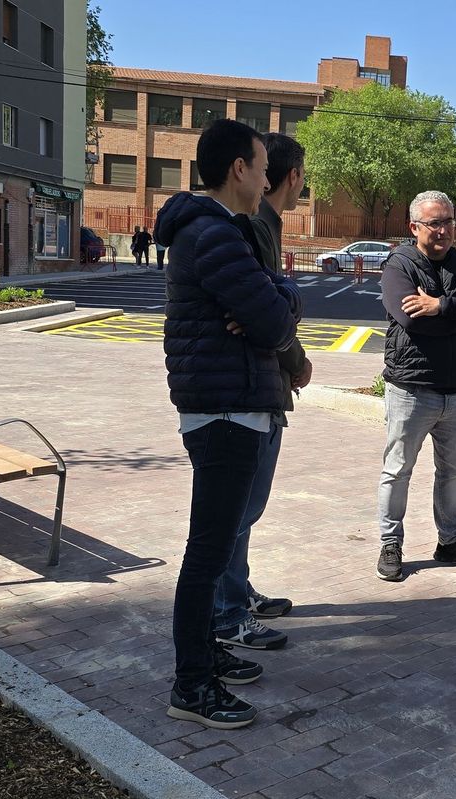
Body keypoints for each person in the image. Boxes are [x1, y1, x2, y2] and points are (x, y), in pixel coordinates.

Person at [153, 118, 302, 729]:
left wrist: (275, 298)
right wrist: (275, 306)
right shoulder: (214, 235)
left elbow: (274, 306)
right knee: (207, 552)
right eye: (263, 166)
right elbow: (273, 322)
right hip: (225, 410)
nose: (268, 178)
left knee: (212, 551)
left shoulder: (222, 232)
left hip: (226, 405)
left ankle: (204, 657)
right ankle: (191, 685)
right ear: (239, 169)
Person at [213, 132, 311, 653]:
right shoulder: (253, 228)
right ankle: (227, 612)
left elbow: (272, 302)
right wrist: (297, 359)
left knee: (244, 508)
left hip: (261, 385)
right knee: (239, 509)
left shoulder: (260, 226)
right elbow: (265, 312)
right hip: (247, 391)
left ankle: (236, 592)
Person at [376, 190, 456, 582]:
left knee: (453, 472)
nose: (444, 230)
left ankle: (450, 541)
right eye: (434, 223)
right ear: (415, 228)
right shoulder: (399, 264)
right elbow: (410, 320)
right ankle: (390, 543)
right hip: (411, 390)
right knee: (398, 470)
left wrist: (441, 307)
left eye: (448, 221)